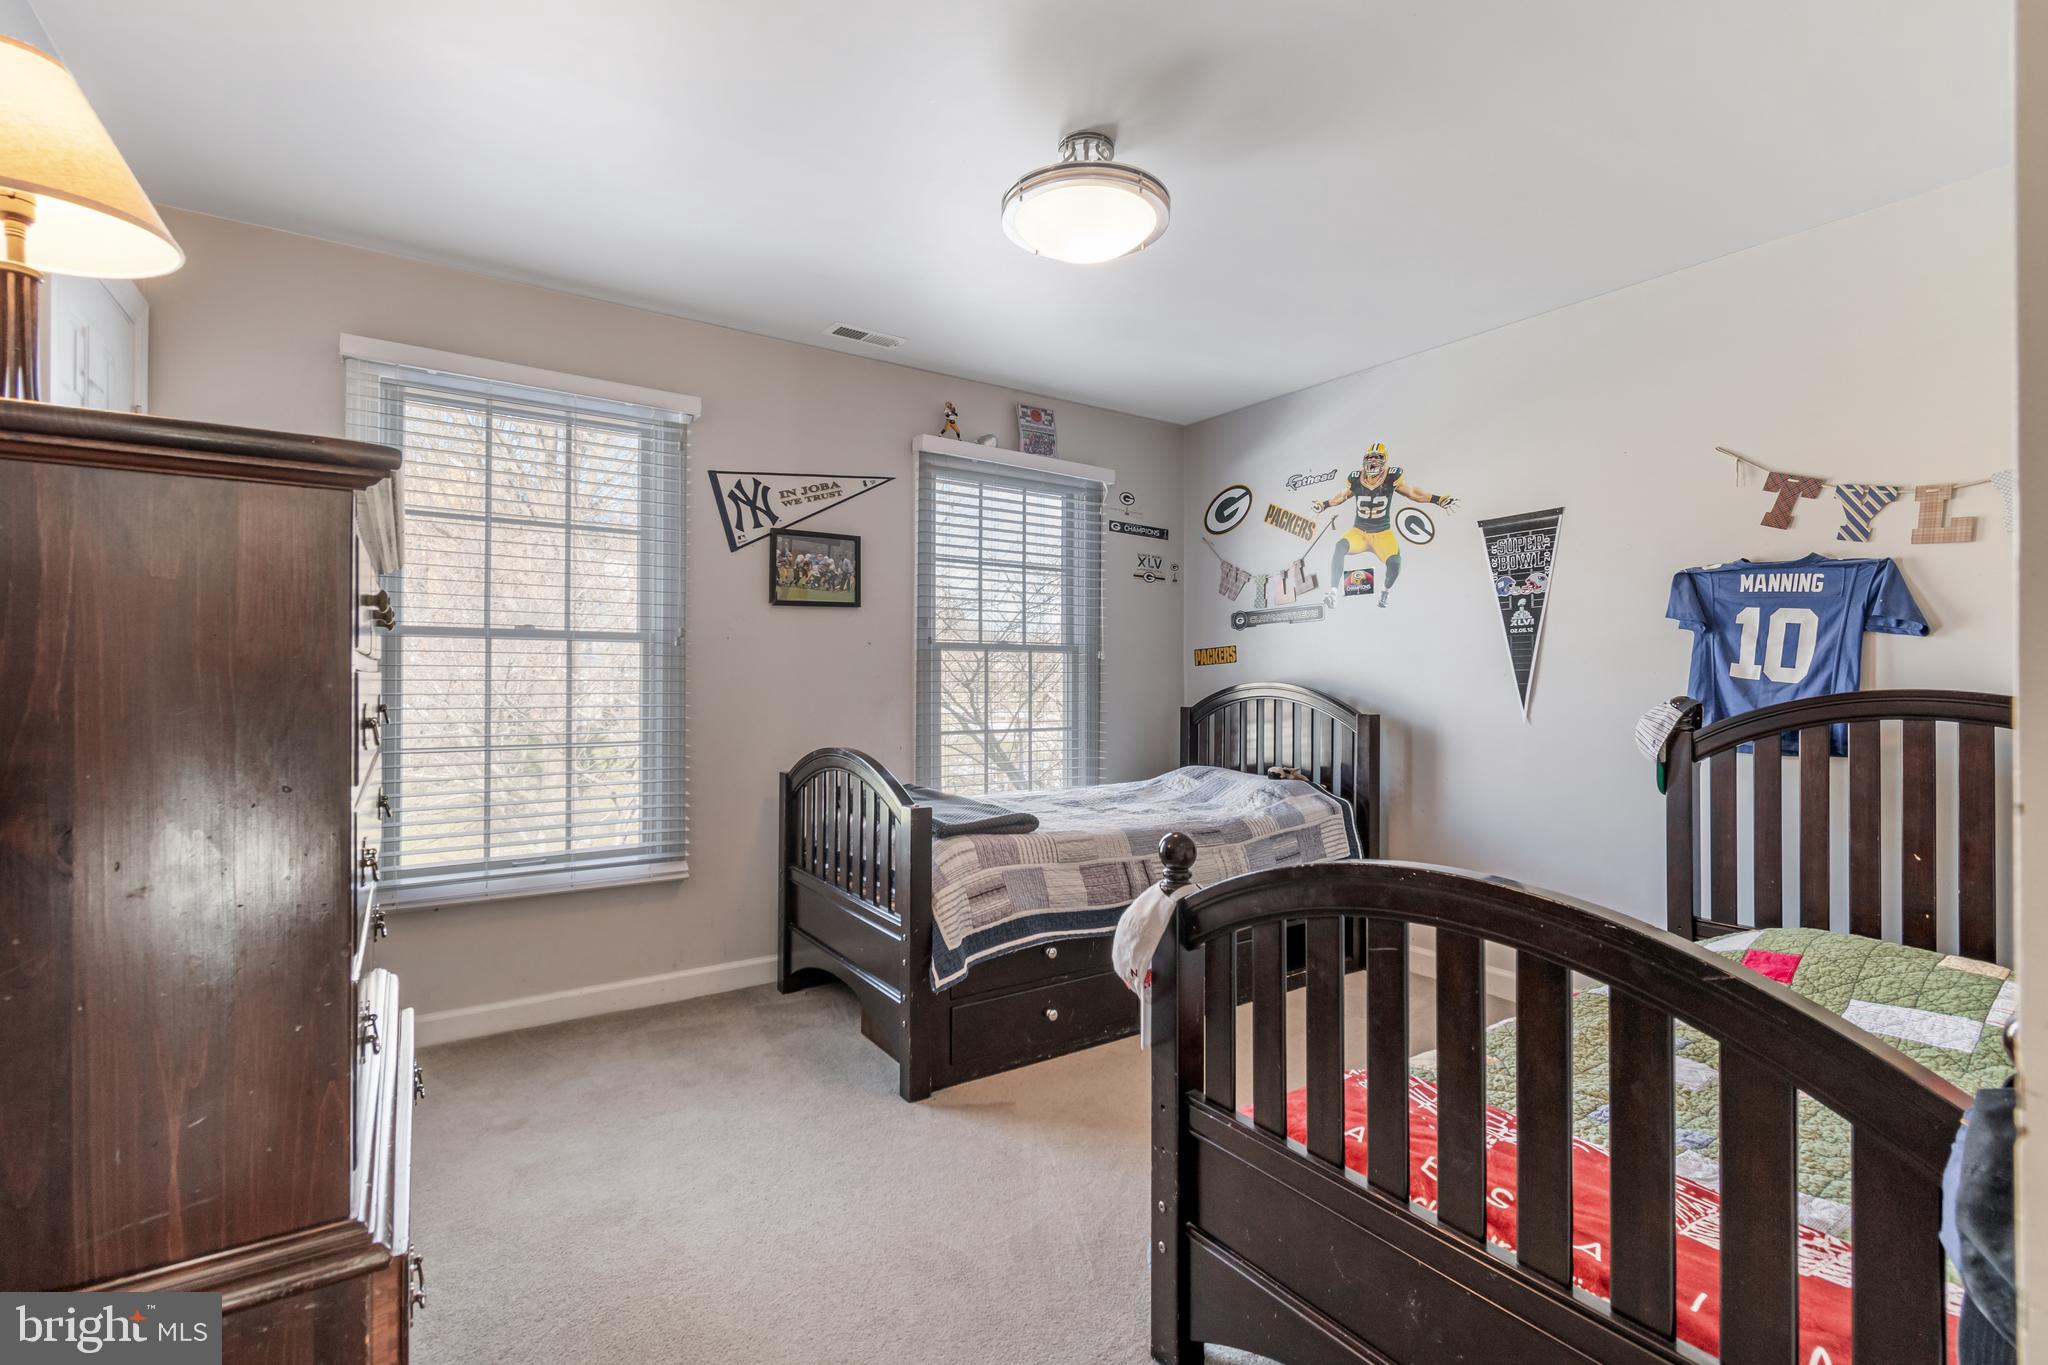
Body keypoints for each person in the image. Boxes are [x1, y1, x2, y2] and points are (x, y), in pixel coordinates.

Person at [1313, 442, 1456, 609]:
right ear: (1364, 460)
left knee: (1395, 563)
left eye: (1377, 457)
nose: (1373, 460)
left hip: (1382, 533)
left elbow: (1413, 493)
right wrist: (1323, 505)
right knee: (1340, 546)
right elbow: (1341, 496)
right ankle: (1333, 592)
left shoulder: (1391, 477)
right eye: (1370, 457)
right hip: (1358, 532)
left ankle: (1384, 591)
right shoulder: (1356, 479)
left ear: (1385, 460)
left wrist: (1437, 499)